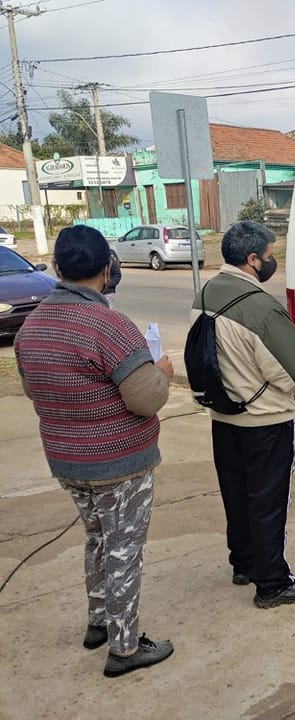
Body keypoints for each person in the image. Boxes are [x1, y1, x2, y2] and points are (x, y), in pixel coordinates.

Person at [14, 225, 175, 678]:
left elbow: (33, 390)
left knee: (97, 539)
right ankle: (125, 648)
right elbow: (146, 399)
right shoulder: (110, 326)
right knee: (123, 548)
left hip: (67, 461)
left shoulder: (31, 327)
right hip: (118, 464)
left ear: (59, 268)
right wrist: (160, 371)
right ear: (108, 269)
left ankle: (98, 621)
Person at [192, 221, 295, 608]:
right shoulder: (261, 306)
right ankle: (273, 582)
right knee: (268, 501)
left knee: (237, 496)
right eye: (269, 255)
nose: (272, 261)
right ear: (251, 260)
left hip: (223, 417)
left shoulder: (208, 291)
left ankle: (243, 563)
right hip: (265, 422)